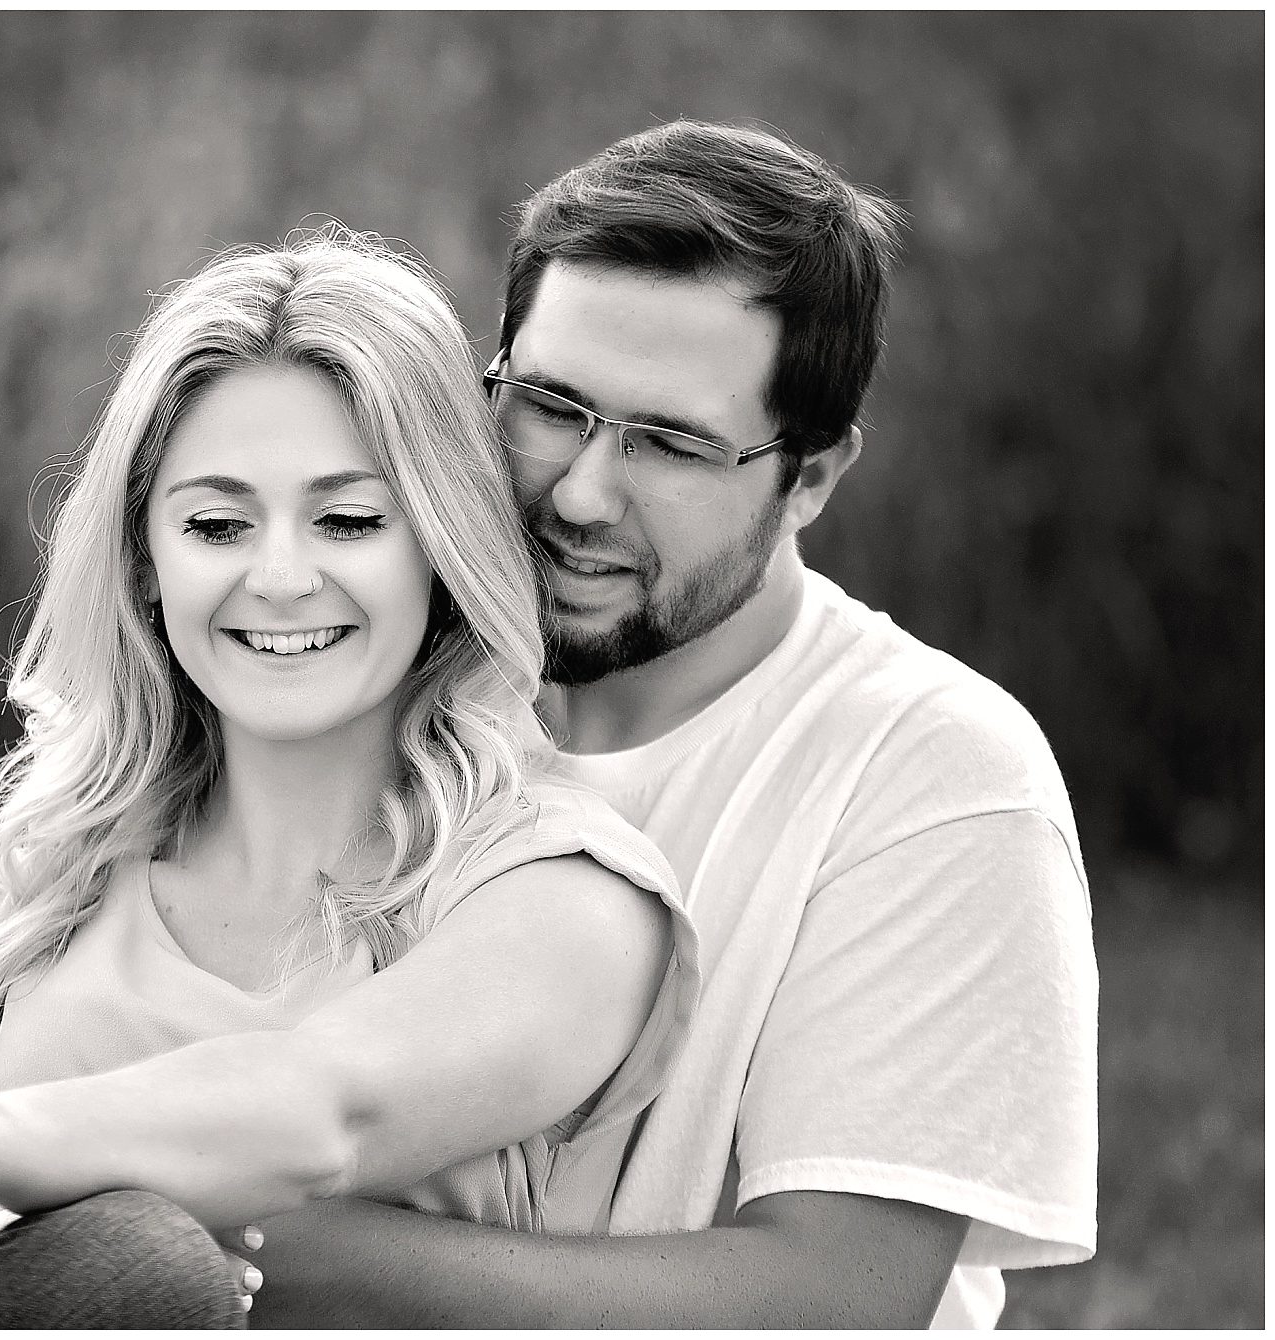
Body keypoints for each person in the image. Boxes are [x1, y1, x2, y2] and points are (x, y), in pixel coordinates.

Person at [0, 232, 702, 1329]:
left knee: (139, 1262)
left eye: (349, 518)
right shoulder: (26, 904)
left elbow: (320, 1110)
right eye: (216, 524)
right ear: (145, 560)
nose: (278, 577)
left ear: (442, 542)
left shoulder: (563, 896)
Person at [233, 121, 1098, 1329]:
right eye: (549, 405)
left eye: (673, 442)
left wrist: (248, 1241)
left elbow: (832, 1294)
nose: (581, 493)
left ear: (812, 476)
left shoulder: (928, 766)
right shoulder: (370, 662)